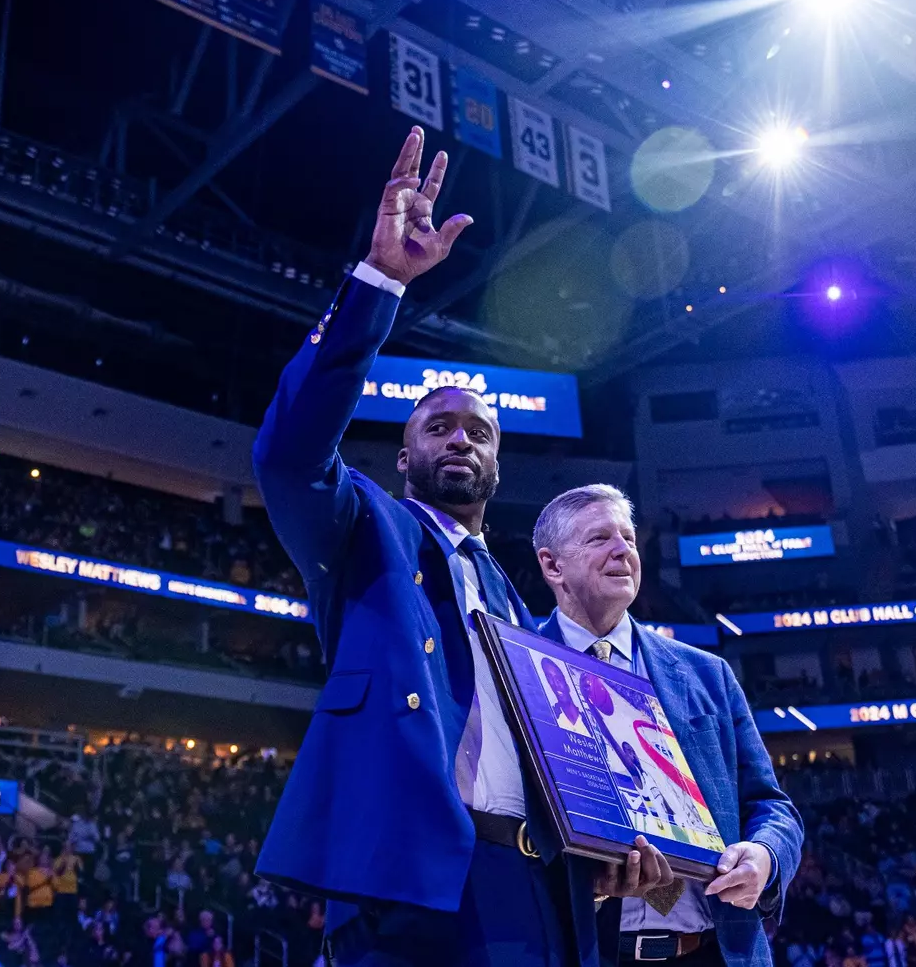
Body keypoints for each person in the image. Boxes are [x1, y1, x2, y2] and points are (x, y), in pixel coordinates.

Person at [253, 127, 671, 967]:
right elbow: (289, 451)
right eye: (436, 426)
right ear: (403, 454)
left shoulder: (522, 610)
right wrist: (380, 283)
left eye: (477, 431)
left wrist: (616, 846)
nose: (459, 439)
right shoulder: (361, 528)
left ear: (495, 462)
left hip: (535, 888)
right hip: (408, 882)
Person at [530, 485, 804, 967]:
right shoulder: (518, 669)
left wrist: (765, 856)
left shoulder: (706, 674)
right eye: (599, 538)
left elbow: (771, 805)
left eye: (629, 539)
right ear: (553, 566)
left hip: (714, 952)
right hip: (587, 950)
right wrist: (585, 885)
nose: (622, 550)